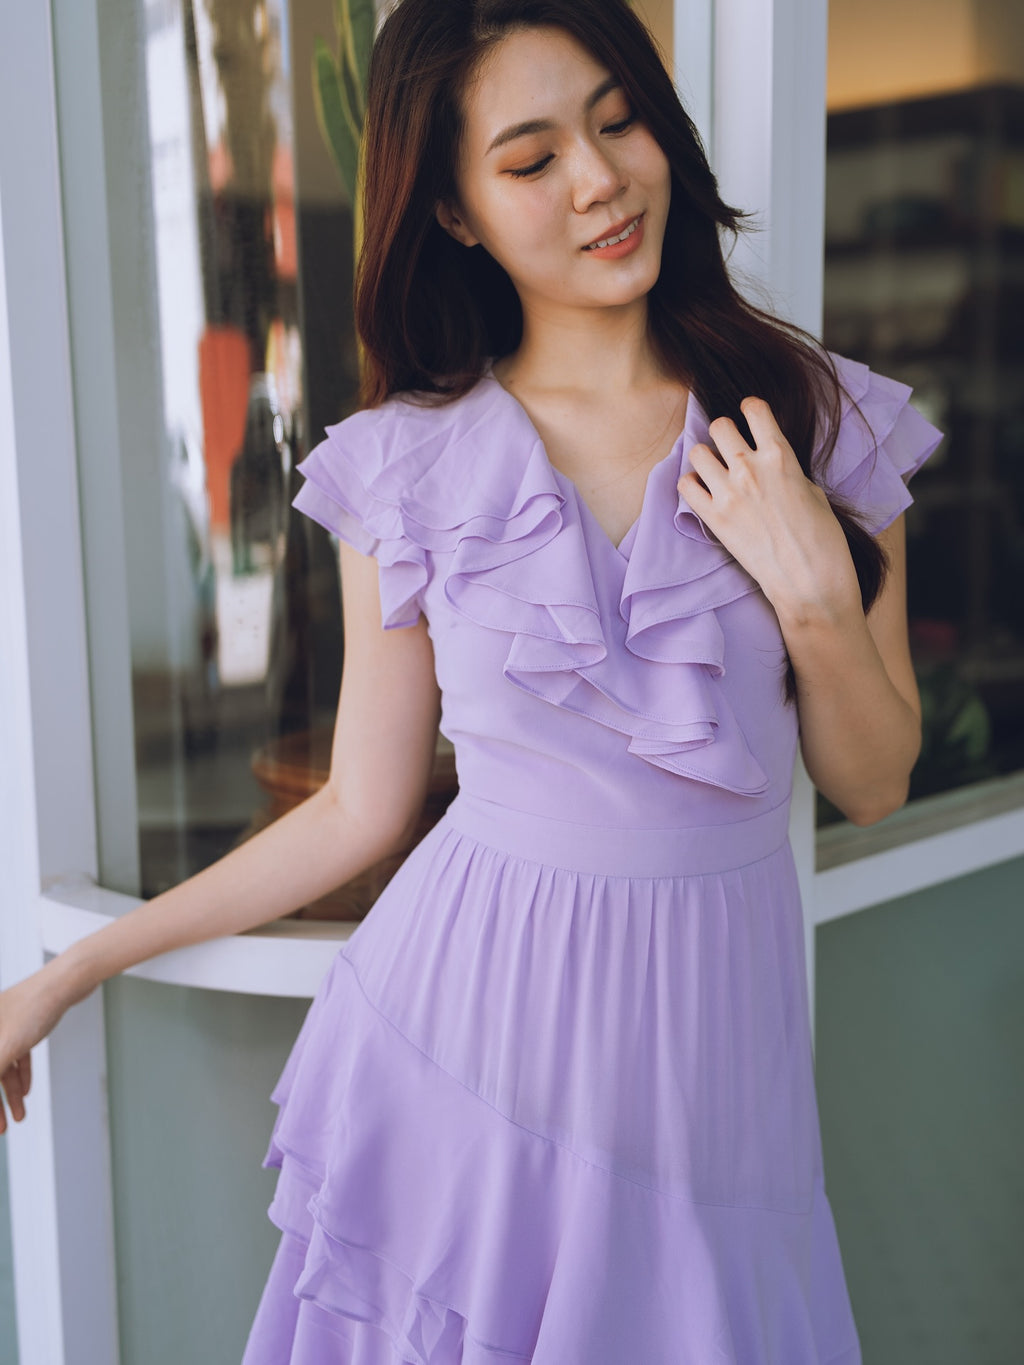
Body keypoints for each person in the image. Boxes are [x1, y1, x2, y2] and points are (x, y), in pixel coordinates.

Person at [1, 1, 943, 1360]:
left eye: (619, 122)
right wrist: (72, 965)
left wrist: (812, 594)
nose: (600, 179)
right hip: (472, 1051)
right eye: (531, 157)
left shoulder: (815, 420)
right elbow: (356, 809)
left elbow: (873, 776)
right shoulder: (408, 462)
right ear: (453, 211)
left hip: (712, 1070)